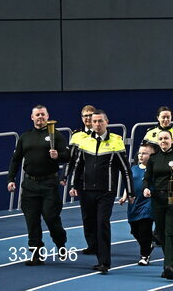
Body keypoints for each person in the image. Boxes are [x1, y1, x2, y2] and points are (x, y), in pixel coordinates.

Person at [67, 109, 134, 274]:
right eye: (94, 121)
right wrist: (73, 185)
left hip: (106, 191)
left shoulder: (116, 142)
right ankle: (96, 252)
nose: (97, 124)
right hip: (87, 190)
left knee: (102, 223)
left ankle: (104, 262)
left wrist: (130, 191)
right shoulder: (85, 142)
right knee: (90, 222)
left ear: (107, 122)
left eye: (100, 121)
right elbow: (77, 165)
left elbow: (125, 169)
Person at [7, 105, 70, 265]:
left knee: (51, 217)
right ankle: (36, 253)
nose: (40, 117)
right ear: (32, 117)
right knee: (32, 220)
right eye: (37, 115)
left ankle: (60, 244)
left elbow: (68, 156)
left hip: (49, 183)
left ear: (47, 116)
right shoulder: (25, 137)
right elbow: (15, 160)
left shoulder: (56, 135)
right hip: (29, 184)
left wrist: (58, 156)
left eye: (43, 114)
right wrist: (11, 179)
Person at [143, 130, 173, 280]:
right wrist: (146, 187)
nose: (163, 141)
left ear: (172, 140)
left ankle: (170, 266)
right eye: (161, 138)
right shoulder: (153, 158)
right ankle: (168, 263)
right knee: (160, 232)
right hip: (158, 198)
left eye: (166, 138)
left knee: (171, 232)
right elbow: (147, 178)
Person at [68, 104, 96, 256]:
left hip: (99, 180)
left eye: (90, 115)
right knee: (87, 214)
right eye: (85, 116)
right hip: (82, 181)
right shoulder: (77, 135)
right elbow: (71, 159)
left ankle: (101, 243)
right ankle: (91, 244)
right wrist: (66, 177)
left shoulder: (102, 134)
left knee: (100, 215)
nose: (87, 118)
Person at [125, 143, 154, 266]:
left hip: (148, 203)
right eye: (140, 153)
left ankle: (144, 255)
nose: (141, 155)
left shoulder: (154, 170)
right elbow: (129, 185)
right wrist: (124, 196)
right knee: (134, 230)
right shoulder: (134, 169)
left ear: (151, 156)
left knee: (144, 229)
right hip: (134, 203)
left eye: (145, 153)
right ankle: (148, 244)